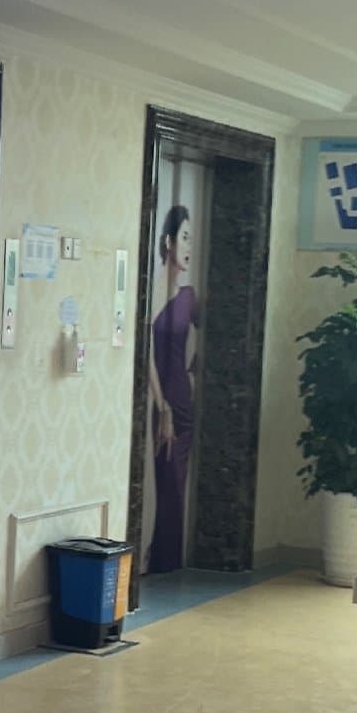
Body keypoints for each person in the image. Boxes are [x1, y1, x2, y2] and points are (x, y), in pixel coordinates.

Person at [149, 203, 199, 573]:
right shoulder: (151, 294)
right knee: (164, 479)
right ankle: (160, 559)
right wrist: (161, 403)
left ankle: (170, 562)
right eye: (184, 238)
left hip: (183, 399)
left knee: (177, 482)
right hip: (159, 399)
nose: (188, 247)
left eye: (191, 240)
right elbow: (144, 354)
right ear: (168, 242)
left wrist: (193, 373)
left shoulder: (190, 297)